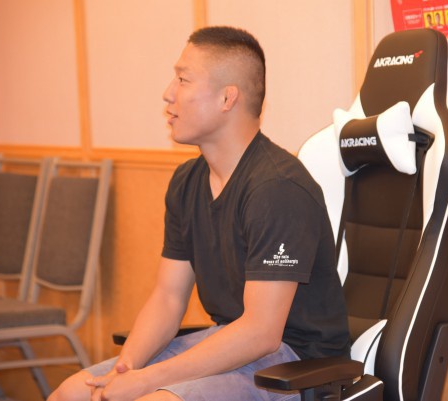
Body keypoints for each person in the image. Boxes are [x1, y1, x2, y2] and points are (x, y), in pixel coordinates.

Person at [47, 26, 350, 401]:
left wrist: (146, 381)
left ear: (227, 98)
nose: (168, 93)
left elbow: (261, 332)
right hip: (228, 339)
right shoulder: (186, 181)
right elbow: (168, 297)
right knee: (71, 394)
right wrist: (125, 369)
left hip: (293, 363)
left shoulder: (277, 188)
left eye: (183, 79)